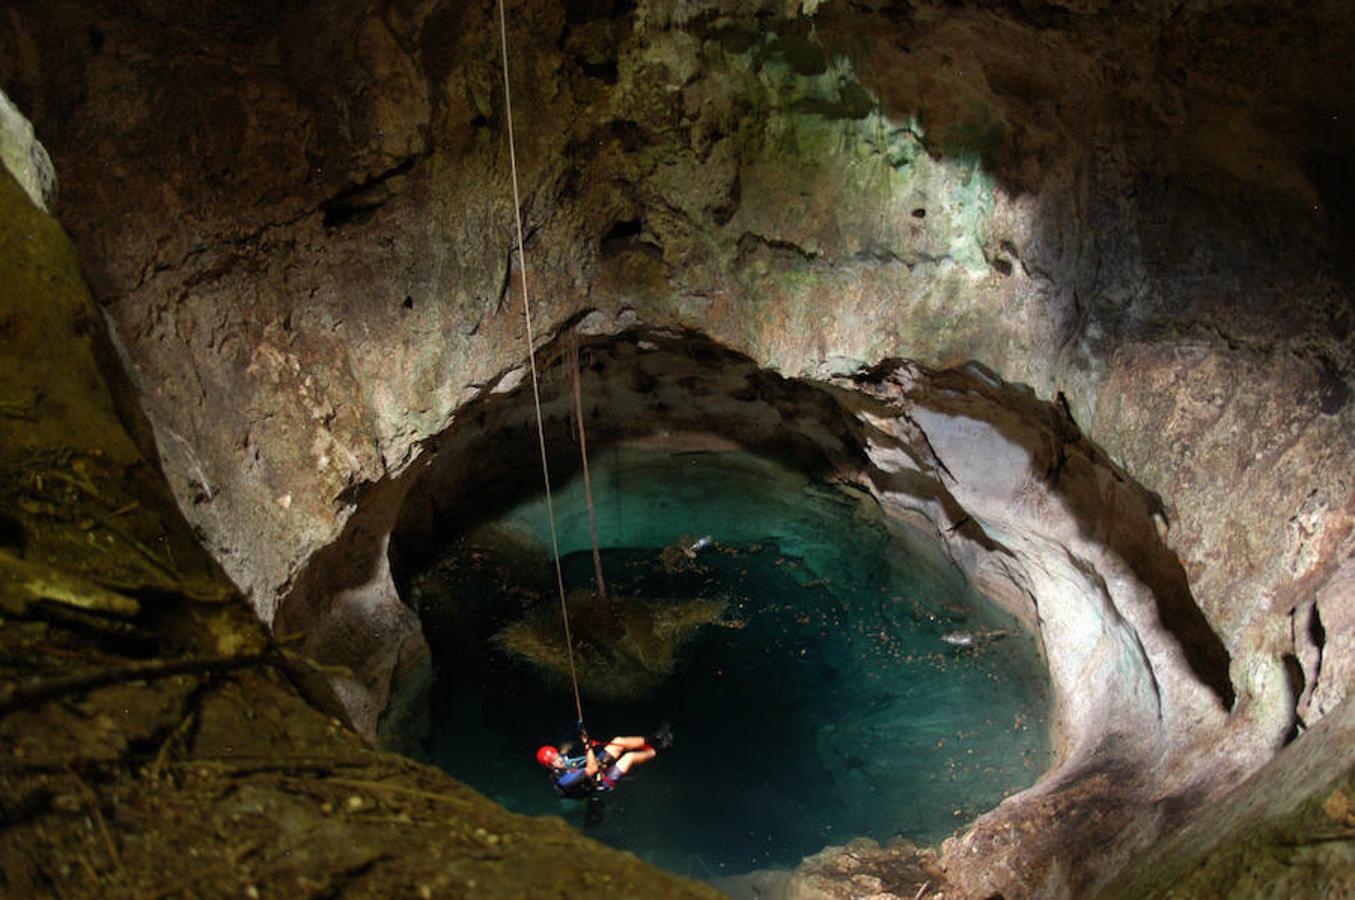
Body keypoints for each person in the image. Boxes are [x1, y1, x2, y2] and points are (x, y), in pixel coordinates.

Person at [536, 723, 673, 805]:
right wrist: (587, 745)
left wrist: (576, 735)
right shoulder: (564, 780)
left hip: (596, 768)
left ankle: (653, 739)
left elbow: (564, 750)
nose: (558, 759)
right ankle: (658, 750)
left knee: (618, 741)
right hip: (601, 782)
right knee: (629, 758)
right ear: (550, 766)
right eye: (554, 760)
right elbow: (591, 768)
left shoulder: (560, 760)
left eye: (556, 756)